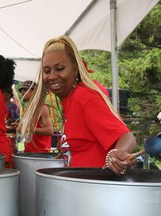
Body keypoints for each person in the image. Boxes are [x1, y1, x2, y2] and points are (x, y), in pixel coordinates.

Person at [19, 35, 137, 175]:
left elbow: (127, 137)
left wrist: (118, 154)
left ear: (75, 68)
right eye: (46, 71)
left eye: (60, 68)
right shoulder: (69, 99)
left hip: (94, 187)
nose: (52, 76)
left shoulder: (85, 97)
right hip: (80, 187)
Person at [19, 80, 53, 152]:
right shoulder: (29, 108)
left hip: (40, 153)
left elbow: (50, 130)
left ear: (34, 91)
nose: (22, 92)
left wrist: (28, 129)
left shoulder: (42, 108)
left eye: (25, 90)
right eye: (21, 90)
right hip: (29, 151)